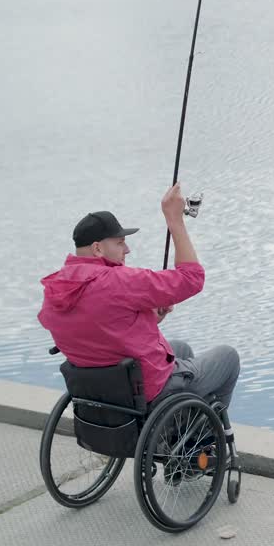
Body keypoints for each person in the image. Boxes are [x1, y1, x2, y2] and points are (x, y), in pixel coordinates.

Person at [38, 183, 239, 441]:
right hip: (147, 391)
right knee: (228, 357)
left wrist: (151, 318)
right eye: (120, 243)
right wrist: (175, 220)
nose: (127, 250)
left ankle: (180, 434)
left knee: (181, 348)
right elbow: (192, 278)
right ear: (98, 248)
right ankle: (199, 441)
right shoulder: (119, 280)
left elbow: (98, 330)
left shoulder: (57, 288)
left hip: (99, 393)